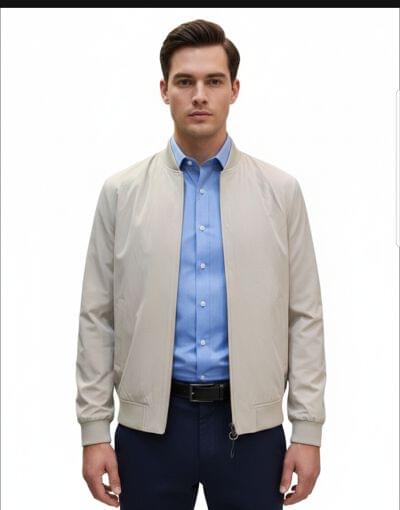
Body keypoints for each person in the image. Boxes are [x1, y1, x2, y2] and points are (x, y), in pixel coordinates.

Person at [75, 18, 327, 510]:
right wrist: (93, 430)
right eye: (185, 81)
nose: (199, 95)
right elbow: (97, 316)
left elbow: (304, 316)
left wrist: (307, 429)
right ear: (164, 90)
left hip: (251, 431)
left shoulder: (280, 193)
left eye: (213, 81)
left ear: (234, 90)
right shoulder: (122, 194)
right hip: (149, 432)